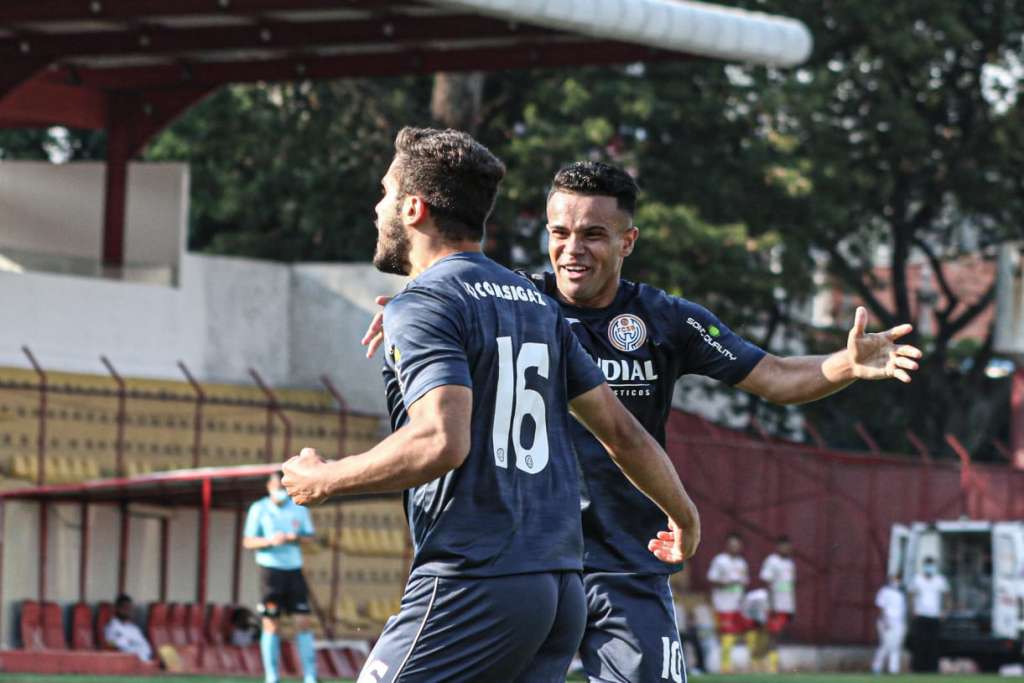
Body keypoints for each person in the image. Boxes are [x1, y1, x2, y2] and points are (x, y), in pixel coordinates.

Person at [360, 160, 922, 683]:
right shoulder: (515, 301)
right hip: (525, 563)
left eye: (593, 235)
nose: (572, 250)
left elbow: (773, 376)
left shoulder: (666, 319)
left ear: (627, 241)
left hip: (625, 565)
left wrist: (845, 363)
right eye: (560, 233)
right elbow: (446, 320)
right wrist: (413, 313)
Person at [281, 127, 700, 683]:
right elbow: (622, 433)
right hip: (557, 588)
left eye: (384, 192)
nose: (376, 205)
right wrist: (685, 516)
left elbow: (440, 440)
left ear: (412, 207)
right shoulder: (536, 304)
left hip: (473, 579)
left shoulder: (427, 302)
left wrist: (326, 479)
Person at [242, 471, 318, 683]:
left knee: (302, 621)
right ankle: (272, 676)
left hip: (294, 570)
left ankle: (310, 676)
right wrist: (268, 541)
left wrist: (295, 538)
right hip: (270, 571)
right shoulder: (259, 508)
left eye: (283, 487)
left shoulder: (299, 508)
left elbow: (310, 537)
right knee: (271, 622)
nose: (280, 491)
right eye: (276, 486)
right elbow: (248, 541)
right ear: (268, 487)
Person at [707, 533, 751, 673]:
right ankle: (725, 666)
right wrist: (727, 583)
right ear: (727, 545)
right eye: (732, 544)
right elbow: (712, 580)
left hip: (737, 604)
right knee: (727, 633)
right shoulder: (720, 561)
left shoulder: (742, 563)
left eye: (737, 545)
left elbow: (744, 583)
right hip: (722, 604)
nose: (735, 547)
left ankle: (751, 663)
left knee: (740, 633)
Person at [759, 535, 797, 673]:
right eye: (783, 545)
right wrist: (772, 604)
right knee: (773, 634)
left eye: (788, 546)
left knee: (778, 634)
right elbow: (767, 583)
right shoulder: (772, 561)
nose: (786, 549)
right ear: (778, 546)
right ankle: (771, 666)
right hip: (775, 606)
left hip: (786, 606)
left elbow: (789, 587)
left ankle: (772, 663)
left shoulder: (790, 564)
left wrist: (792, 608)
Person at [908, 556, 950, 672]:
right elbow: (911, 595)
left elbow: (946, 596)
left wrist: (945, 611)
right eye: (928, 565)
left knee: (933, 644)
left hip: (935, 615)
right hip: (921, 615)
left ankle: (932, 668)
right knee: (919, 643)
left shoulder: (940, 580)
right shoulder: (917, 579)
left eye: (931, 566)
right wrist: (912, 610)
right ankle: (917, 668)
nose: (929, 568)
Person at [872, 573, 907, 675]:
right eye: (894, 579)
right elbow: (881, 607)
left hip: (898, 622)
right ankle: (876, 667)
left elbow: (902, 611)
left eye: (897, 580)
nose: (896, 582)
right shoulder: (884, 591)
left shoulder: (900, 594)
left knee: (896, 646)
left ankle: (893, 669)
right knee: (885, 645)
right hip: (887, 621)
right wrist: (885, 620)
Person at [104, 594, 153, 662]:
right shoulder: (112, 627)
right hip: (126, 662)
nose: (128, 611)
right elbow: (113, 644)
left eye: (129, 608)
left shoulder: (134, 629)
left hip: (144, 661)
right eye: (125, 608)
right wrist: (129, 642)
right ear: (117, 608)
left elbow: (145, 646)